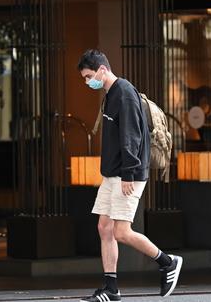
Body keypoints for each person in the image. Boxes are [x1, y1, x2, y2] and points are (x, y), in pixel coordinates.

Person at [77, 49, 183, 302]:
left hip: (128, 175)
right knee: (104, 227)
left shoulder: (123, 94)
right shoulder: (111, 94)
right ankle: (111, 289)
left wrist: (128, 173)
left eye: (89, 76)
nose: (87, 81)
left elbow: (131, 137)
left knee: (122, 232)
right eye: (84, 78)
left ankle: (168, 262)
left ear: (103, 70)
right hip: (113, 174)